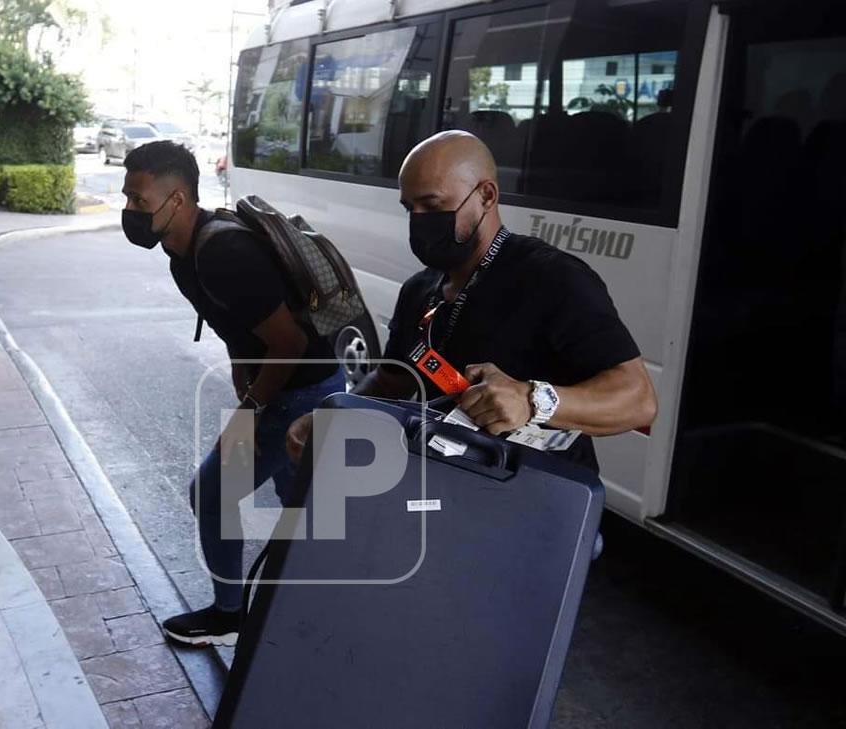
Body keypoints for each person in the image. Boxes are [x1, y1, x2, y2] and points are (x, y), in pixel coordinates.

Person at [287, 131, 657, 471]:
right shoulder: (420, 291)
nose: (418, 221)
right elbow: (389, 383)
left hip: (542, 502)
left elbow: (637, 399)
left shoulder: (553, 279)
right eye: (409, 208)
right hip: (447, 493)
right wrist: (331, 416)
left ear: (486, 196)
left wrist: (533, 400)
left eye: (432, 205)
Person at [120, 141, 345, 647]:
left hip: (304, 390)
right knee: (299, 501)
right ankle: (316, 601)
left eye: (139, 200)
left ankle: (229, 615)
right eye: (126, 198)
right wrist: (241, 367)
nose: (130, 211)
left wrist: (249, 412)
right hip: (294, 384)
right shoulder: (183, 253)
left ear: (176, 200)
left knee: (213, 492)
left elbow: (289, 341)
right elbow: (236, 322)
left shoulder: (223, 250)